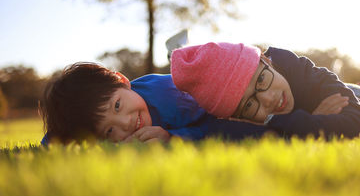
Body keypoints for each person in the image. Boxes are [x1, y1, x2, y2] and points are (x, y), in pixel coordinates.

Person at [171, 42, 360, 139]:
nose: (269, 99)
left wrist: (291, 124)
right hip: (337, 95)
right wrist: (173, 136)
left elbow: (358, 128)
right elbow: (216, 130)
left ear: (266, 60)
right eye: (250, 104)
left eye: (261, 79)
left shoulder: (301, 69)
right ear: (239, 118)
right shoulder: (241, 120)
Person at [40, 62, 275, 145]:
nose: (126, 123)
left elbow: (214, 125)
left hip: (188, 85)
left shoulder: (179, 98)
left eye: (118, 106)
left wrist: (174, 137)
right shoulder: (86, 119)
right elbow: (58, 134)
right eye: (109, 130)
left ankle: (178, 55)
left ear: (123, 81)